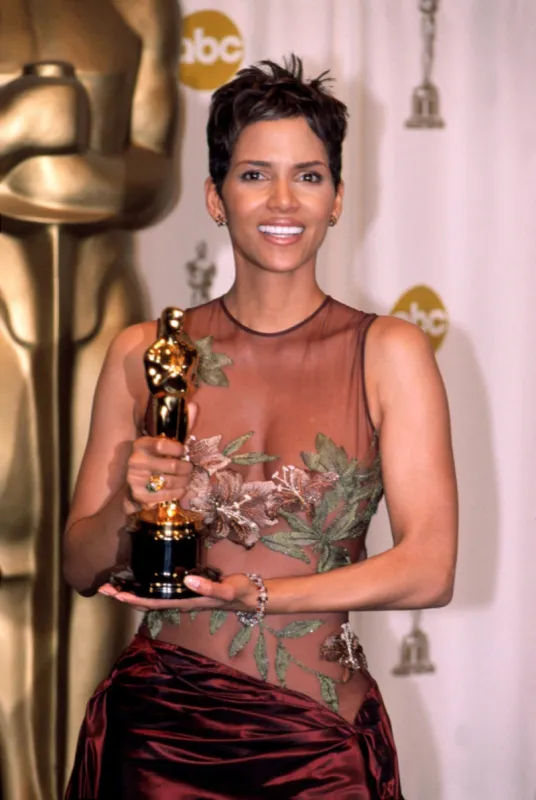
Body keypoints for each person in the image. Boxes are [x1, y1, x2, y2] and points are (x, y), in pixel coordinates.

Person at [63, 56, 457, 799]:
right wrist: (125, 499)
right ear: (215, 198)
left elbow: (430, 567)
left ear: (338, 197)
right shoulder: (147, 352)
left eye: (309, 175)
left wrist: (255, 595)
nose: (284, 199)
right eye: (254, 175)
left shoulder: (389, 353)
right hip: (157, 739)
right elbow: (79, 568)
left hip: (319, 747)